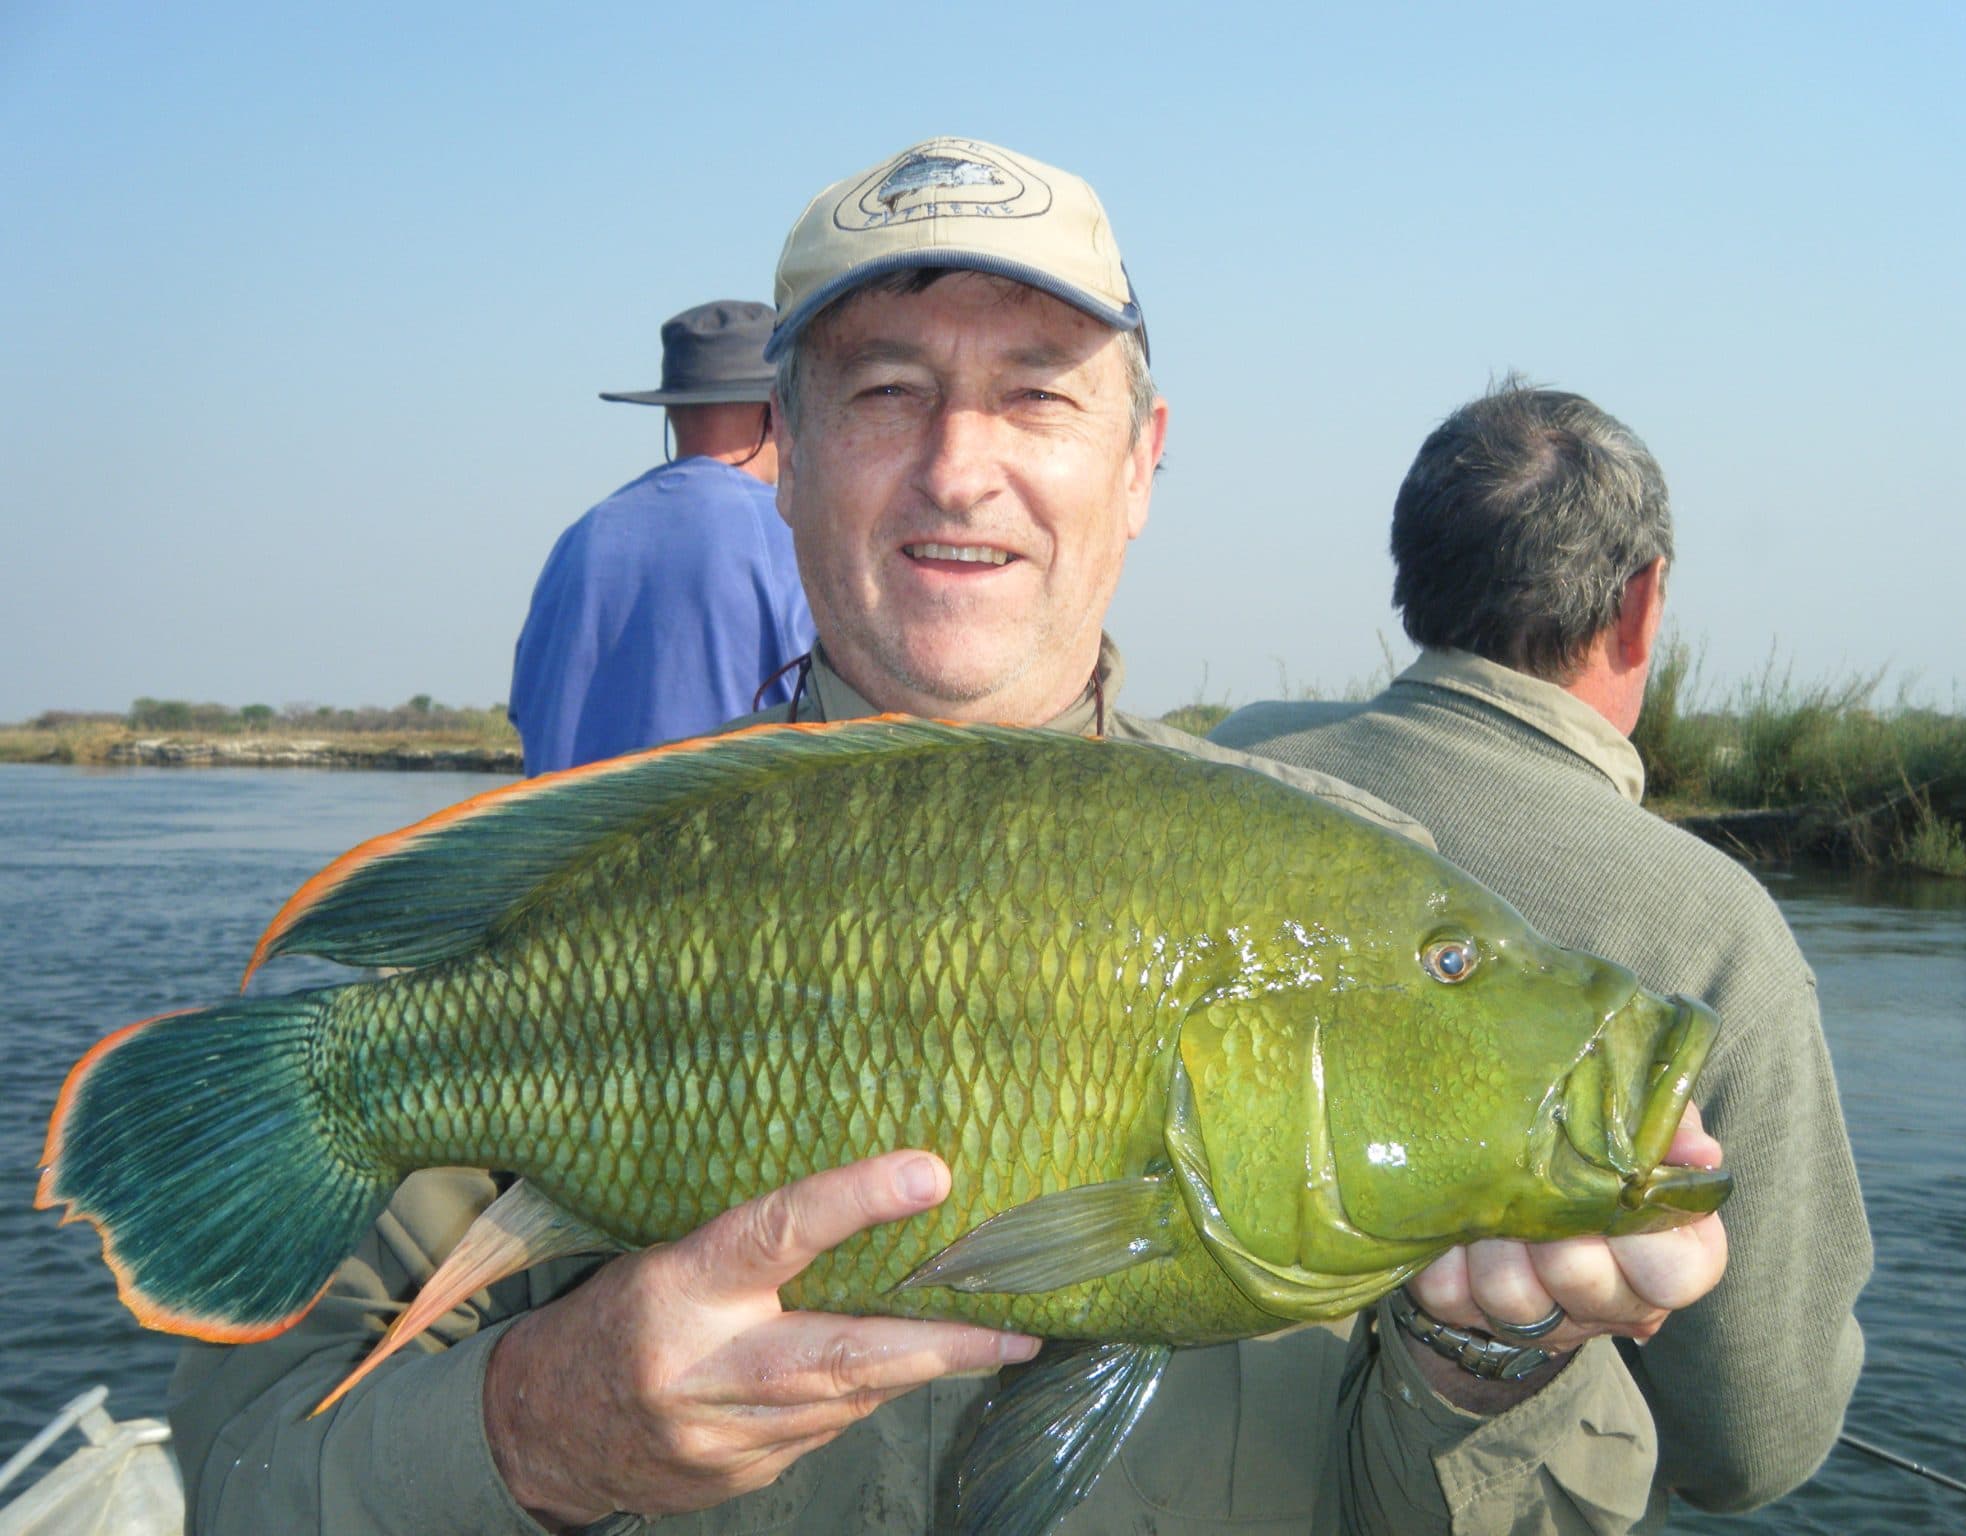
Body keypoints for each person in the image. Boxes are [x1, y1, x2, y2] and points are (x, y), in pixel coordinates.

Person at [168, 144, 1724, 1535]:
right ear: (784, 450)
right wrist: (538, 1432)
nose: (958, 462)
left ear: (1141, 463)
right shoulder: (601, 905)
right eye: (886, 390)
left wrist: (1484, 1362)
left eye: (1039, 388)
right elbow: (241, 1480)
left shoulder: (1364, 874)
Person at [1212, 380, 1872, 1528]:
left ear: (1412, 580)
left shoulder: (1223, 779)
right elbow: (1751, 1446)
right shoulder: (1715, 935)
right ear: (1641, 606)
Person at [508, 300, 815, 776]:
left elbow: (528, 713)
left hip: (562, 848)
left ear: (671, 410)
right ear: (777, 412)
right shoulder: (791, 537)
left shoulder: (578, 541)